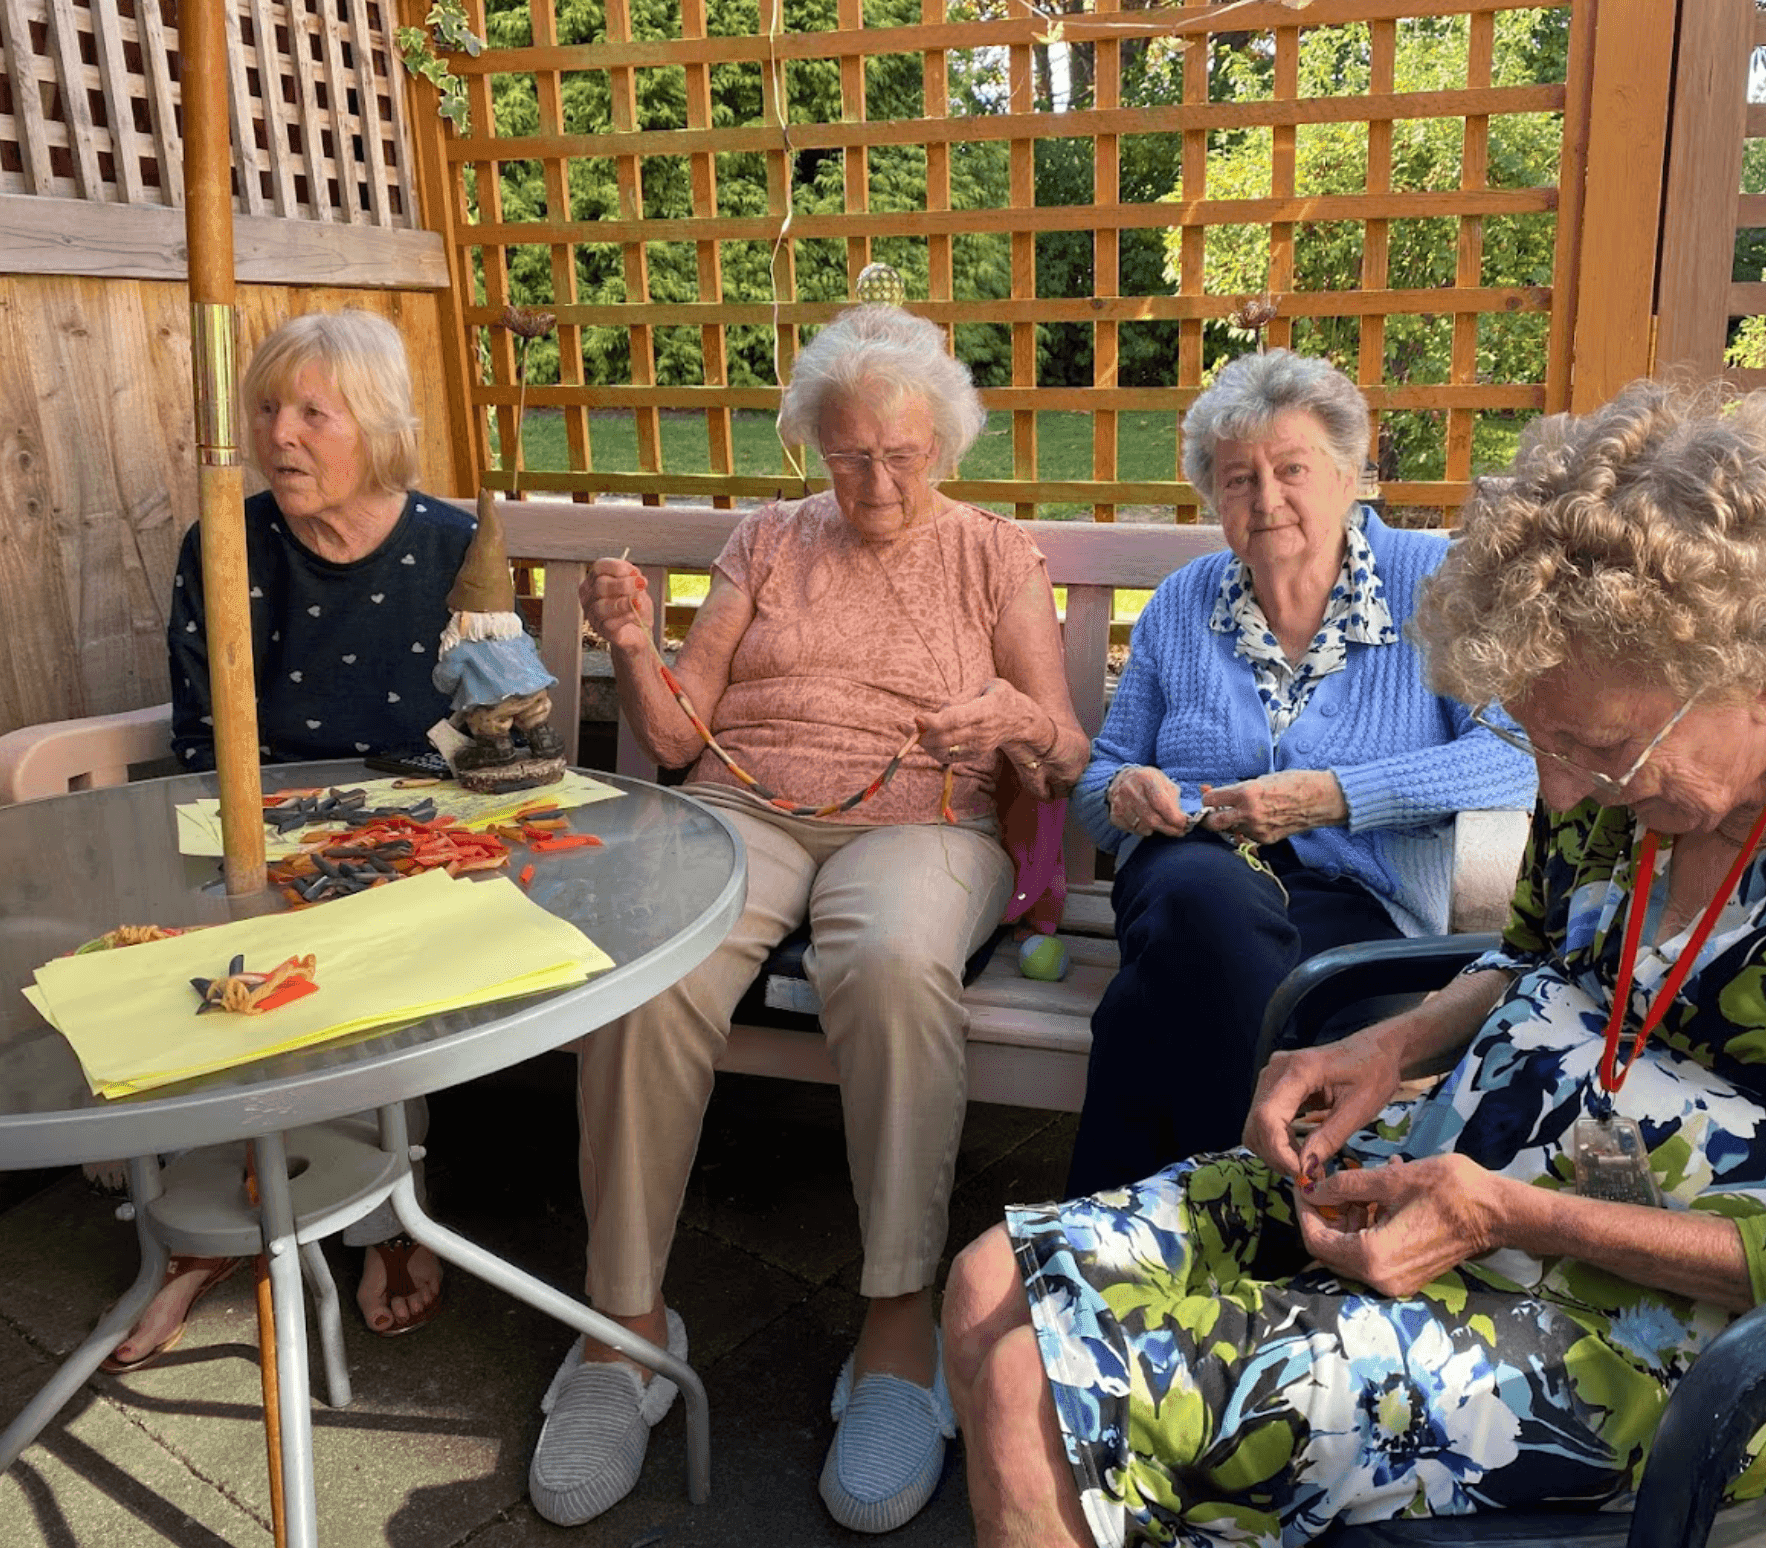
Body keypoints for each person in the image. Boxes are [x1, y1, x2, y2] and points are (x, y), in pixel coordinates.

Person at [943, 378, 1766, 1546]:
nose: (1558, 792)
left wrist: (1513, 1216)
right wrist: (1390, 1041)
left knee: (1039, 1391)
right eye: (1536, 741)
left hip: (1682, 1326)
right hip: (1455, 1168)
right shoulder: (1622, 737)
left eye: (1595, 751)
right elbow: (1532, 959)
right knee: (985, 1284)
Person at [529, 303, 1089, 1532]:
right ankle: (621, 1328)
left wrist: (1003, 718)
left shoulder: (993, 553)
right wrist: (631, 642)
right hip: (744, 803)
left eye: (899, 455)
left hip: (924, 819)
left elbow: (1063, 753)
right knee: (656, 966)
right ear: (811, 450)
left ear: (942, 447)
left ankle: (898, 1330)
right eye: (847, 455)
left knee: (891, 964)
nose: (875, 482)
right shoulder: (767, 539)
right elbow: (678, 738)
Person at [1066, 349, 1535, 1196]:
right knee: (1204, 906)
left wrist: (1338, 797)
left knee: (1151, 1007)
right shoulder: (1183, 602)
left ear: (1353, 473)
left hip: (1357, 903)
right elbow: (1099, 783)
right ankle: (1266, 1205)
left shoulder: (1434, 584)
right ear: (1213, 495)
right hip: (1191, 873)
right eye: (1238, 478)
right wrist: (1127, 796)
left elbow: (1516, 757)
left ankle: (1126, 1225)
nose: (1266, 499)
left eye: (1292, 469)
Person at [126, 309, 454, 1369]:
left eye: (316, 412)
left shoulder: (447, 545)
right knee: (200, 924)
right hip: (252, 813)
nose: (282, 435)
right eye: (268, 409)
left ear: (379, 427)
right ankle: (211, 1205)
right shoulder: (223, 543)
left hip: (412, 822)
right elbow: (195, 727)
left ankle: (383, 1209)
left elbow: (497, 730)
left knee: (374, 925)